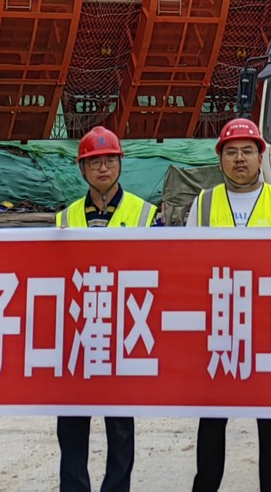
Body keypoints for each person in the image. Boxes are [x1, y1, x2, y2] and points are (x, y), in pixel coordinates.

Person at [186, 117, 271, 492]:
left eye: (247, 151)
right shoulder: (203, 203)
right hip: (218, 326)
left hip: (265, 328)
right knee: (212, 420)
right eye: (231, 152)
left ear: (260, 157)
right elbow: (187, 266)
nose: (239, 159)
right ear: (220, 158)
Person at [55, 126, 157, 492]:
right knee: (71, 424)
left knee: (120, 427)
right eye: (94, 161)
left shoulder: (146, 215)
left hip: (123, 332)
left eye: (109, 160)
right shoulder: (65, 219)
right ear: (81, 168)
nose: (103, 168)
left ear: (120, 164)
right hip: (77, 335)